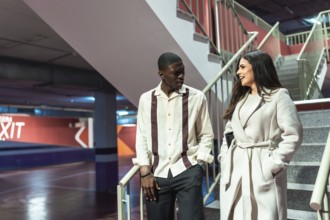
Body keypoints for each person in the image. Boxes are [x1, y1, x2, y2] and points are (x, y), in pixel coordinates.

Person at [218, 50, 303, 220]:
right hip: (236, 166)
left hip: (261, 164)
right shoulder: (240, 99)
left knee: (264, 214)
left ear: (256, 68)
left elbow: (294, 135)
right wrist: (225, 157)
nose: (238, 72)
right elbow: (229, 131)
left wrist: (273, 164)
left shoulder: (278, 96)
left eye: (242, 67)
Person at [133, 52, 214, 220]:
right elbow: (141, 137)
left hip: (188, 171)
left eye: (183, 71)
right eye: (176, 73)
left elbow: (206, 134)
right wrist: (145, 172)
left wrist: (199, 165)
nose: (181, 76)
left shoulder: (197, 97)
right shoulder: (146, 99)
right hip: (156, 175)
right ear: (161, 74)